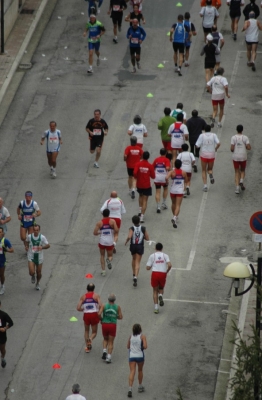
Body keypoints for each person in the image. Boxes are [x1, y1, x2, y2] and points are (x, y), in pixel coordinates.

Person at [146, 243, 172, 314]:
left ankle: (156, 308)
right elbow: (170, 265)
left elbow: (147, 268)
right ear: (162, 248)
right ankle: (160, 295)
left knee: (154, 290)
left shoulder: (152, 256)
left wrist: (151, 266)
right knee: (161, 288)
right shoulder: (165, 255)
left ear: (155, 248)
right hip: (163, 273)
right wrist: (167, 271)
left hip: (155, 273)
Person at [76, 283, 102, 353]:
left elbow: (78, 308)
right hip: (94, 314)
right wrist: (99, 312)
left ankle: (87, 347)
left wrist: (83, 309)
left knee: (86, 330)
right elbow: (100, 306)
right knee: (94, 332)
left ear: (87, 289)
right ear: (94, 289)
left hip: (86, 315)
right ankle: (90, 339)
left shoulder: (83, 297)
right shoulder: (96, 296)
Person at [125, 215, 149, 287]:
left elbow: (129, 236)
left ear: (132, 221)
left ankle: (133, 273)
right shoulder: (143, 228)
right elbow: (147, 238)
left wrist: (126, 241)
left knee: (133, 259)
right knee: (138, 262)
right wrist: (142, 237)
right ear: (139, 221)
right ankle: (136, 276)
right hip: (140, 246)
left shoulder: (131, 228)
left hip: (133, 245)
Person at [93, 209, 119, 276]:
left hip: (102, 241)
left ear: (102, 214)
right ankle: (109, 260)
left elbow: (94, 233)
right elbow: (116, 230)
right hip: (110, 242)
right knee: (110, 256)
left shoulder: (99, 223)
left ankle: (103, 271)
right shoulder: (112, 221)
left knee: (102, 255)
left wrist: (100, 232)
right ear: (109, 214)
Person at [195, 125, 220, 192]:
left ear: (204, 130)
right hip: (211, 154)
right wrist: (215, 148)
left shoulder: (202, 135)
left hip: (204, 154)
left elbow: (197, 145)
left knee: (203, 170)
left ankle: (205, 186)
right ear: (210, 129)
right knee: (210, 169)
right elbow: (218, 143)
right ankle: (210, 174)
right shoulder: (214, 135)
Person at [25, 224, 50, 291]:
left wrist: (42, 247)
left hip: (39, 257)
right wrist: (26, 246)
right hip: (31, 256)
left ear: (39, 230)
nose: (36, 231)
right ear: (33, 230)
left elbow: (48, 245)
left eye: (37, 230)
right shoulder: (29, 236)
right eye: (34, 230)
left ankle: (38, 283)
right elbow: (26, 241)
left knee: (39, 272)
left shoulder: (42, 237)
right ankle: (33, 275)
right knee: (31, 272)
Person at [100, 293, 123, 363]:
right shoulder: (117, 307)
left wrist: (101, 319)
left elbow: (98, 313)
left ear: (108, 299)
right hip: (112, 325)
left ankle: (104, 351)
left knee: (105, 339)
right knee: (111, 341)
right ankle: (109, 357)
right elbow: (121, 317)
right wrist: (114, 316)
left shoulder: (104, 305)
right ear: (114, 300)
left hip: (105, 324)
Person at [133, 151, 155, 223]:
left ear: (142, 156)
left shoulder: (138, 164)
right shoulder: (150, 166)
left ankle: (139, 210)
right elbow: (153, 176)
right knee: (145, 200)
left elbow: (135, 173)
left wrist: (137, 177)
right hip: (146, 185)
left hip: (139, 184)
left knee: (140, 196)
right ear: (148, 157)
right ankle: (142, 216)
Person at [166, 159, 188, 228]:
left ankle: (174, 216)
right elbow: (186, 181)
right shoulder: (183, 172)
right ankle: (175, 217)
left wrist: (167, 182)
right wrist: (184, 187)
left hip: (173, 190)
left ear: (175, 165)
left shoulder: (172, 172)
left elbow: (166, 177)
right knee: (178, 205)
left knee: (173, 204)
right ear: (181, 165)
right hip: (179, 191)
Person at [127, 324, 147, 397]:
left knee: (132, 371)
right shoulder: (142, 336)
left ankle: (130, 388)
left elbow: (128, 346)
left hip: (132, 356)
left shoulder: (130, 336)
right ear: (140, 329)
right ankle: (140, 386)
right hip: (140, 356)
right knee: (140, 370)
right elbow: (145, 346)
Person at [230, 125, 251, 193]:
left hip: (236, 157)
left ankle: (237, 188)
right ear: (242, 130)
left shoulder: (233, 137)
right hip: (243, 156)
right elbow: (248, 147)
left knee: (236, 172)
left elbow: (232, 149)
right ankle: (241, 180)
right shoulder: (245, 137)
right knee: (242, 170)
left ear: (236, 130)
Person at [152, 148, 171, 213]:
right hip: (164, 178)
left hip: (157, 177)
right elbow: (168, 168)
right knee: (165, 189)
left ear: (160, 153)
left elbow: (152, 167)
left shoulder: (156, 159)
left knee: (157, 191)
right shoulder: (167, 160)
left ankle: (158, 206)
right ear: (166, 153)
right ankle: (164, 203)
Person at [0, 228, 14, 295]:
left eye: (0, 232)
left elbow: (12, 250)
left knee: (1, 274)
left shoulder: (5, 241)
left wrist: (6, 250)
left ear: (2, 233)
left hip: (2, 260)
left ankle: (2, 285)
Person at [0, 301, 13, 368]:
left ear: (0, 306)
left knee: (2, 349)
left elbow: (11, 323)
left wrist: (5, 328)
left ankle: (2, 358)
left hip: (1, 336)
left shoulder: (4, 315)